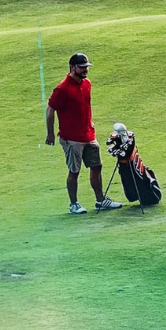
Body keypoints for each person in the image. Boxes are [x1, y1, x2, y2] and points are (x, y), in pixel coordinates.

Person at [45, 53, 122, 214]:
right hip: (71, 138)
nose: (85, 70)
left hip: (88, 135)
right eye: (82, 67)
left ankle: (100, 200)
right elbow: (50, 110)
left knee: (97, 166)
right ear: (72, 67)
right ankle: (74, 204)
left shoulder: (87, 84)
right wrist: (50, 134)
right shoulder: (62, 89)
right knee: (74, 171)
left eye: (86, 67)